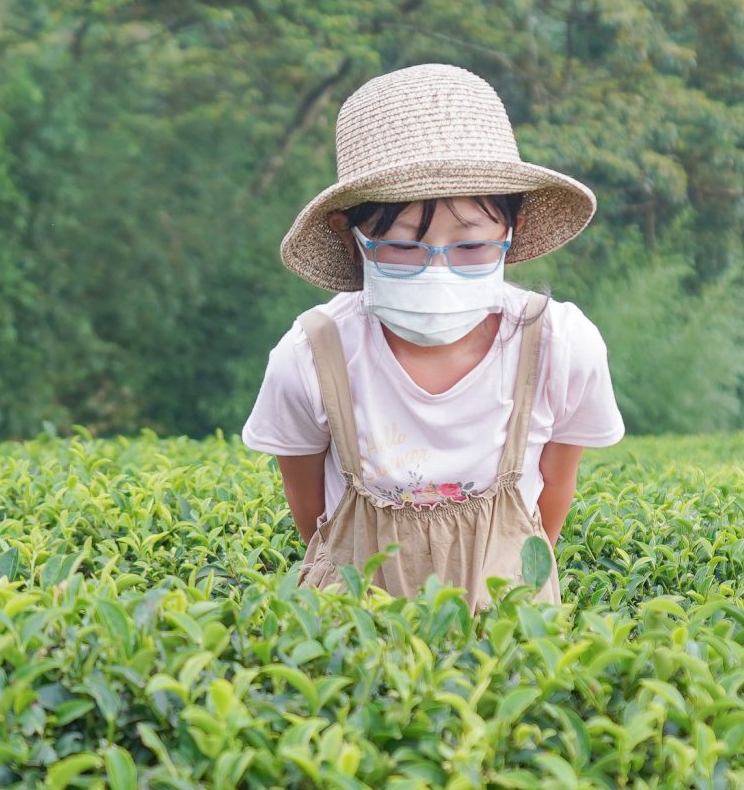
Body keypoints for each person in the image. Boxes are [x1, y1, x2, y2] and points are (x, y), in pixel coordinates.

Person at [240, 63, 624, 604]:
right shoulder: (313, 355)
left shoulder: (559, 347)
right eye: (403, 247)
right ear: (351, 240)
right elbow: (313, 516)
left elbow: (553, 494)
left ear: (510, 234)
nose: (437, 271)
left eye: (470, 246)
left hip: (508, 629)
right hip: (355, 632)